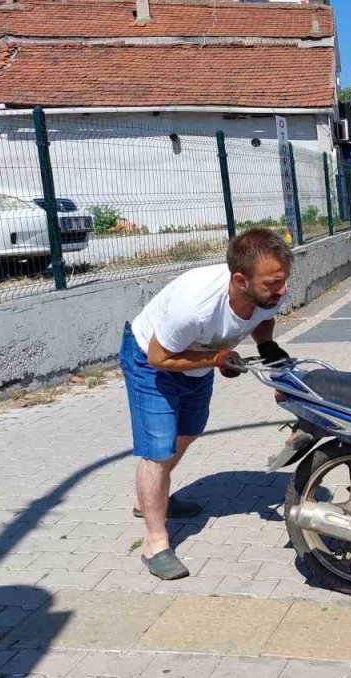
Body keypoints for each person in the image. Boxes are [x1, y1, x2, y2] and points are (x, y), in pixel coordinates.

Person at [119, 229, 293, 580]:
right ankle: (155, 542)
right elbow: (158, 356)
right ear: (241, 280)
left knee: (188, 433)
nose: (282, 290)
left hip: (197, 362)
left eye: (284, 280)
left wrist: (267, 346)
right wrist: (217, 359)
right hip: (150, 360)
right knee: (157, 450)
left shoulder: (267, 295)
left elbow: (261, 318)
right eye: (273, 283)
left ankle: (150, 500)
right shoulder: (195, 307)